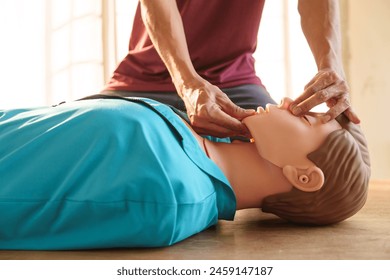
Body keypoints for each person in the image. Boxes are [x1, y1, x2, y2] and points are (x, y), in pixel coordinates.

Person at [0, 94, 369, 250]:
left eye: (305, 117)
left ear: (303, 175)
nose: (290, 101)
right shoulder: (198, 134)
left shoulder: (167, 198)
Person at [103, 0, 360, 138]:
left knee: (335, 161)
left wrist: (330, 67)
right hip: (143, 77)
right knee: (73, 143)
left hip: (235, 79)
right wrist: (188, 83)